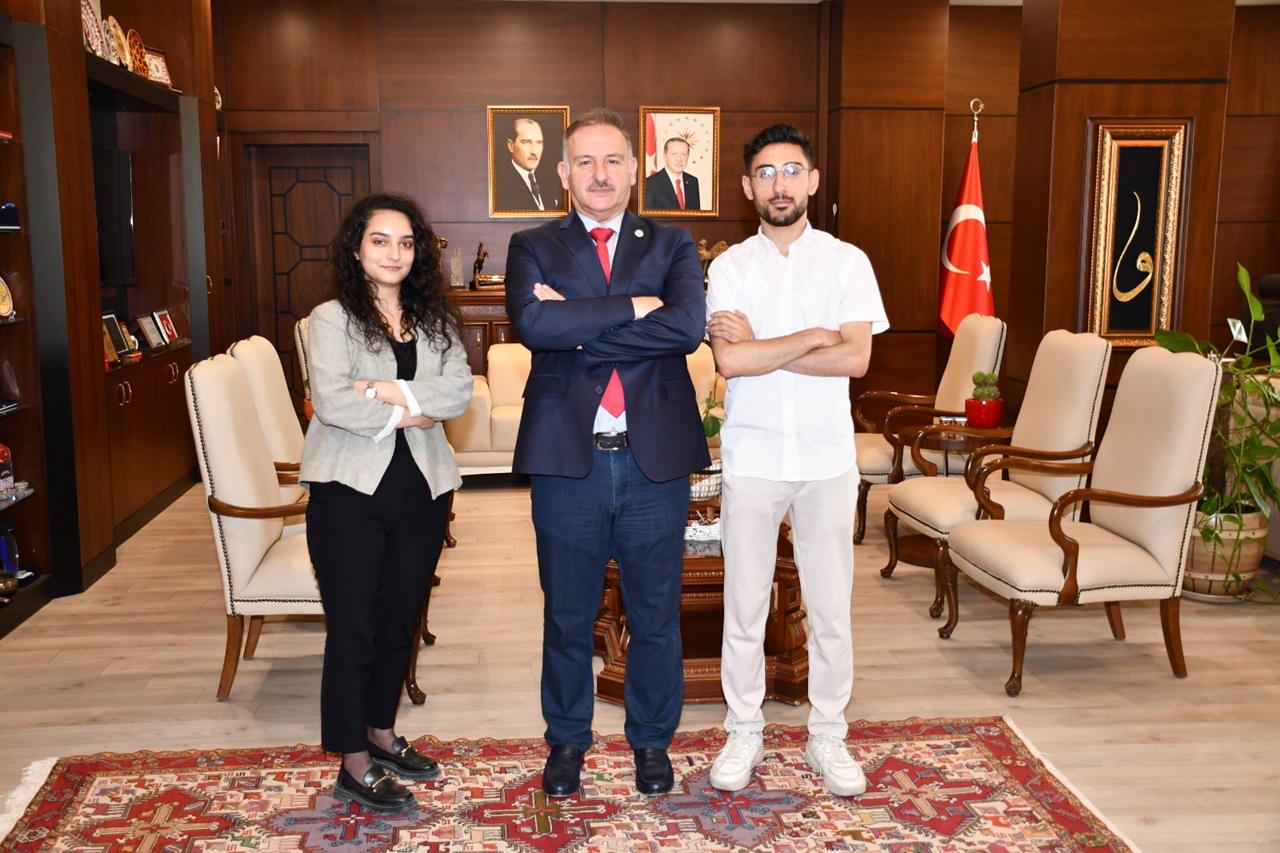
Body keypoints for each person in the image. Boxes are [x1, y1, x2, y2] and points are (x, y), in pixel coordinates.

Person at [505, 108, 709, 798]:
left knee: (656, 616)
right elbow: (534, 325)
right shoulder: (532, 244)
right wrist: (637, 306)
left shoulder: (673, 242)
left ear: (633, 170)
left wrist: (578, 325)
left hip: (654, 462)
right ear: (564, 173)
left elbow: (686, 329)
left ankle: (651, 742)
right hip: (569, 462)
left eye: (613, 160)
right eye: (586, 162)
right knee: (567, 616)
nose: (600, 174)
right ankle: (567, 741)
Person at [705, 124, 888, 797]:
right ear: (747, 186)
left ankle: (828, 734)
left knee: (831, 607)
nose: (778, 184)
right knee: (744, 604)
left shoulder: (847, 262)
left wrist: (768, 345)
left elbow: (856, 358)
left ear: (811, 180)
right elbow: (731, 361)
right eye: (765, 173)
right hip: (752, 456)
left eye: (790, 170)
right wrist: (814, 335)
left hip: (826, 459)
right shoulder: (729, 268)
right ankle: (743, 729)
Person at [300, 192, 474, 812]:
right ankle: (352, 760)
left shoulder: (436, 319)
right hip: (348, 489)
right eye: (380, 240)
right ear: (356, 248)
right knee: (355, 627)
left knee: (401, 620)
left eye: (405, 242)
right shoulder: (331, 319)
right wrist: (412, 409)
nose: (393, 253)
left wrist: (381, 389)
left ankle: (380, 731)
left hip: (423, 488)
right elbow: (333, 402)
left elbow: (459, 393)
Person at [495, 116, 562, 212]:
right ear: (511, 146)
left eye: (539, 143)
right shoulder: (500, 186)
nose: (534, 151)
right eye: (526, 142)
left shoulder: (549, 182)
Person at [645, 138, 701, 211]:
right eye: (674, 154)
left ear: (688, 156)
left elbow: (696, 215)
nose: (679, 159)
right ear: (665, 155)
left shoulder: (692, 181)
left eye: (684, 154)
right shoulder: (650, 184)